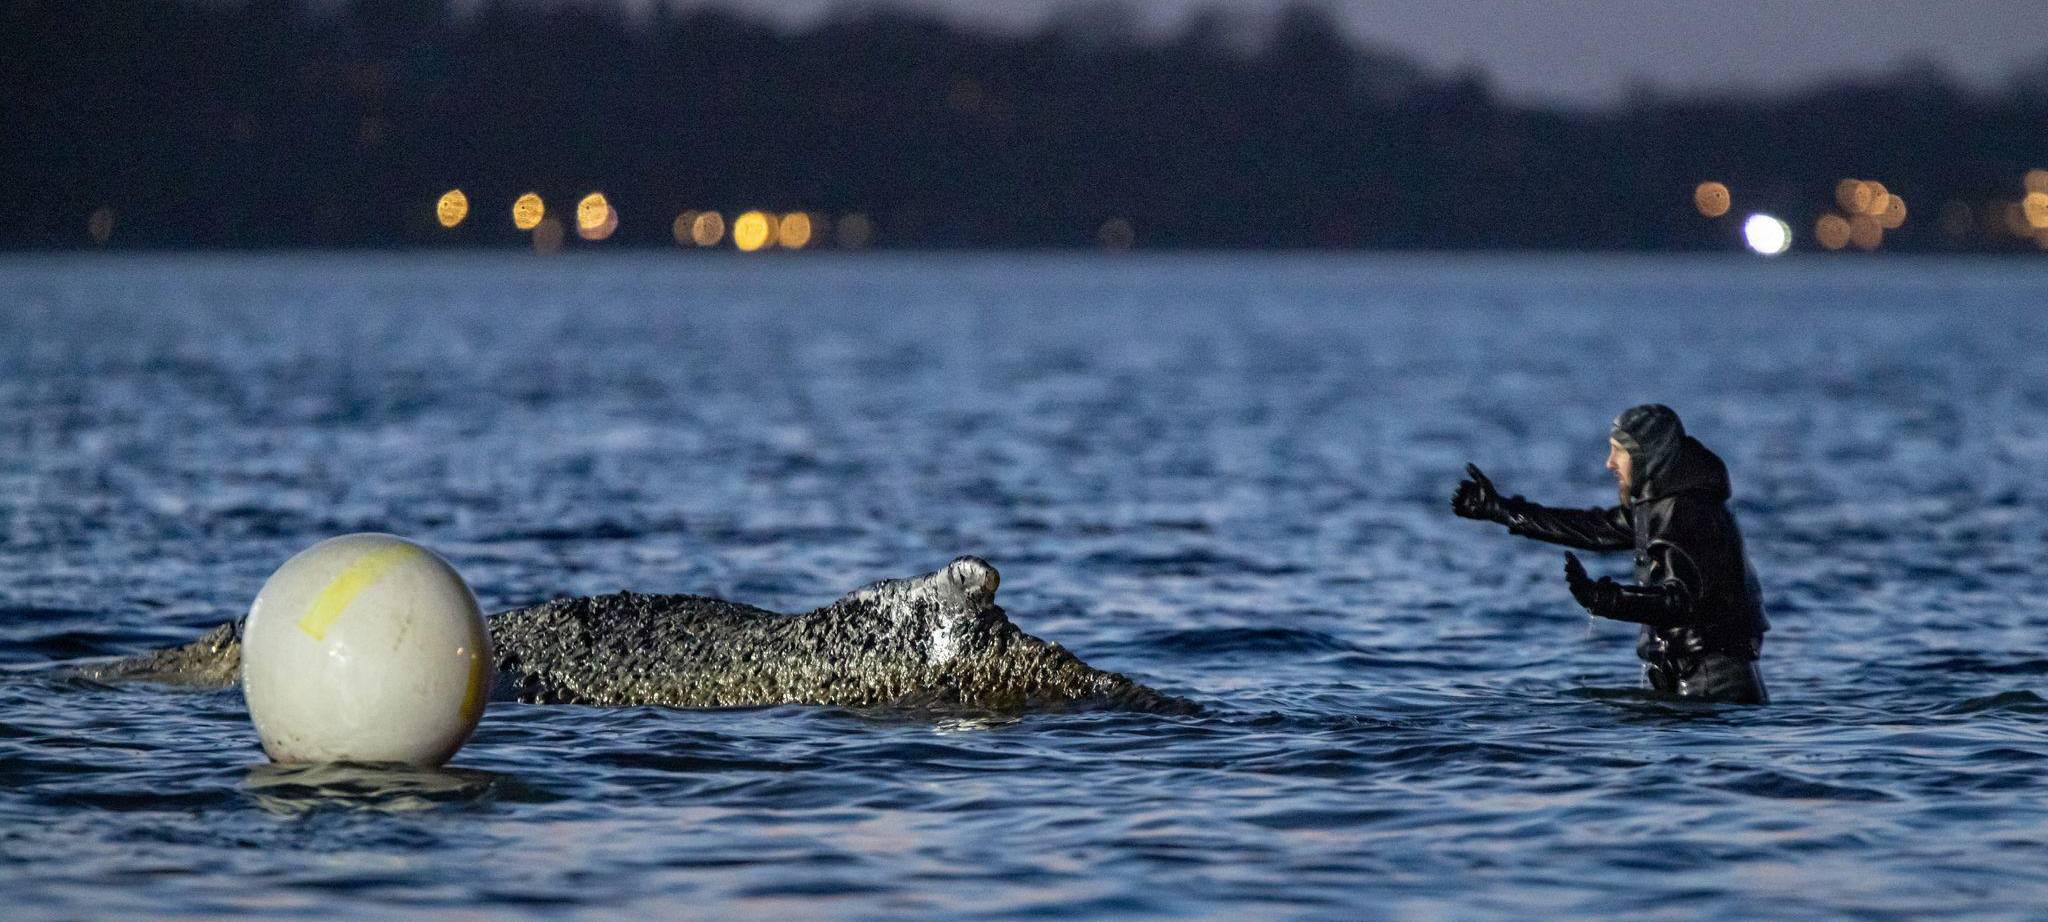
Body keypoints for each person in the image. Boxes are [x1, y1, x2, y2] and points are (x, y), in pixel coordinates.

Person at [1451, 404, 1770, 704]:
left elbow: (1680, 602)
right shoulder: (1662, 504)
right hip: (1697, 681)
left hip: (1713, 686)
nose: (1609, 462)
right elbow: (1595, 529)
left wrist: (1604, 599)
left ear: (1648, 456)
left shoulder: (1687, 510)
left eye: (1619, 451)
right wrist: (1502, 510)